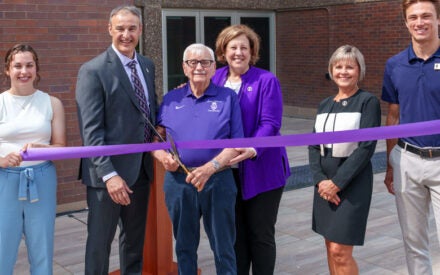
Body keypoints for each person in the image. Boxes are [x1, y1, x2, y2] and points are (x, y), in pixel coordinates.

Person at [75, 5, 157, 275]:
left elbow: (147, 111)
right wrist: (110, 175)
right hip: (106, 177)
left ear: (140, 30)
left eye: (132, 28)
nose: (126, 34)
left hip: (141, 172)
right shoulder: (93, 71)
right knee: (99, 245)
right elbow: (91, 132)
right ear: (109, 29)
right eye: (120, 28)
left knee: (134, 243)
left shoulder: (147, 66)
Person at [152, 43, 243, 275]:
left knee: (224, 247)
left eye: (205, 62)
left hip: (218, 181)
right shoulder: (171, 99)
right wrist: (163, 157)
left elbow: (236, 144)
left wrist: (210, 168)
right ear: (184, 67)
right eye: (193, 62)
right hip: (179, 182)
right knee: (184, 246)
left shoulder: (228, 98)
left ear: (214, 68)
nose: (199, 67)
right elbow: (155, 139)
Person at [211, 24, 290, 274]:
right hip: (227, 171)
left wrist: (252, 148)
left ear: (252, 51)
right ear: (223, 50)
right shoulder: (215, 78)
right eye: (233, 47)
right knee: (236, 236)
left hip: (261, 169)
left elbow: (271, 123)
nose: (238, 52)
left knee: (260, 235)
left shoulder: (266, 80)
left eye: (244, 47)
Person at [308, 45, 381, 275]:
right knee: (330, 246)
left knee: (341, 249)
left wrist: (337, 183)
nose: (343, 71)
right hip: (324, 184)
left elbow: (365, 148)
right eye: (338, 66)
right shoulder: (324, 104)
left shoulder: (367, 102)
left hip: (352, 182)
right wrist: (321, 181)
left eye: (350, 66)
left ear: (359, 71)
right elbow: (313, 145)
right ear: (331, 70)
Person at [382, 1, 440, 274]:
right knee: (414, 242)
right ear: (406, 23)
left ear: (438, 20)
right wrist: (391, 165)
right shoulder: (394, 65)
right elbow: (392, 117)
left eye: (426, 16)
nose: (420, 22)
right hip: (408, 160)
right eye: (413, 17)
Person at [0, 44, 66, 274]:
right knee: (2, 250)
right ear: (7, 70)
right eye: (17, 65)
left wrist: (43, 148)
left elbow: (60, 147)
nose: (23, 71)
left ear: (37, 69)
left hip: (42, 179)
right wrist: (1, 160)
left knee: (42, 249)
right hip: (4, 181)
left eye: (29, 65)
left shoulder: (52, 103)